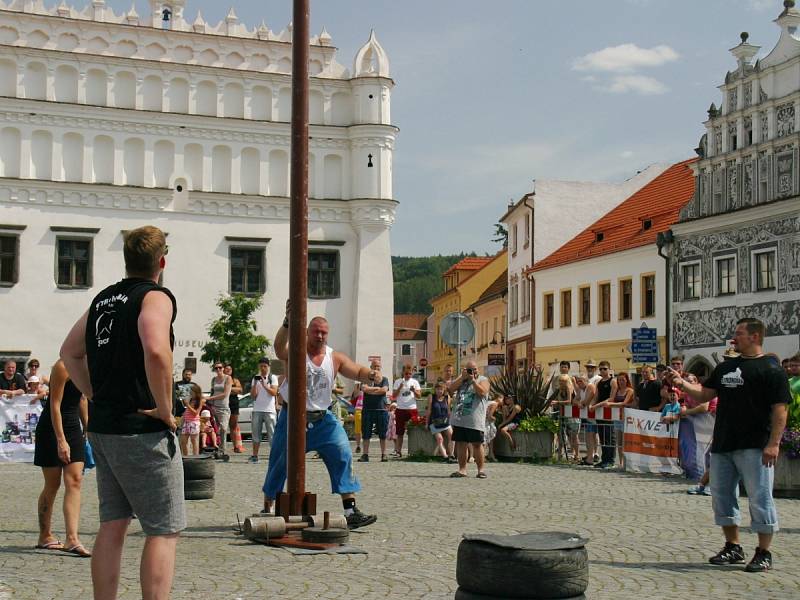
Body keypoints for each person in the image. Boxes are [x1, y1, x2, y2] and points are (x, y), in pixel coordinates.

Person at [60, 225, 184, 600]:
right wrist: (165, 410)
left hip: (104, 427)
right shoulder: (155, 297)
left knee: (112, 525)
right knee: (163, 529)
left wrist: (94, 393)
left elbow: (69, 351)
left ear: (127, 260)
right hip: (142, 429)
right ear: (161, 262)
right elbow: (157, 350)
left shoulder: (103, 299)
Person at [668, 318, 789, 573]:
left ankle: (764, 551)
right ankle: (733, 546)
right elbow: (704, 394)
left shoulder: (771, 368)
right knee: (722, 497)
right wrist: (682, 383)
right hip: (724, 443)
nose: (734, 338)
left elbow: (780, 409)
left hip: (755, 445)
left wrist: (773, 444)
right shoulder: (726, 367)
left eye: (739, 333)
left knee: (759, 497)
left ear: (755, 336)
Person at [261, 303, 378, 529]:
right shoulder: (295, 350)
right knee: (279, 463)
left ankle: (350, 509)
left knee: (343, 452)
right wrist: (287, 323)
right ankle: (268, 508)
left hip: (323, 419)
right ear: (307, 332)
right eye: (316, 331)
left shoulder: (334, 358)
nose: (320, 335)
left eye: (324, 332)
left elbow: (356, 370)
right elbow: (278, 348)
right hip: (292, 418)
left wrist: (371, 374)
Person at [33, 360, 90, 557]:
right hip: (51, 428)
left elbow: (82, 399)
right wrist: (61, 440)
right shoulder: (62, 367)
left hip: (74, 426)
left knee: (75, 480)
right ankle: (44, 535)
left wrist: (87, 428)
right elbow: (54, 404)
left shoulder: (88, 366)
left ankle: (72, 539)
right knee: (53, 483)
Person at [448, 361, 490, 479]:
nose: (473, 372)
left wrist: (473, 381)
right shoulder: (462, 380)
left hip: (474, 419)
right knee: (461, 444)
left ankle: (481, 470)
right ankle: (462, 470)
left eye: (475, 369)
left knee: (477, 444)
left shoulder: (483, 379)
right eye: (470, 369)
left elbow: (482, 392)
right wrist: (462, 378)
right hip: (460, 418)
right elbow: (450, 390)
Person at [595, 372, 635, 469]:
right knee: (619, 443)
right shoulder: (617, 391)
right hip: (617, 418)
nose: (621, 382)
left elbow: (624, 403)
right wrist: (601, 404)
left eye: (623, 380)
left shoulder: (630, 390)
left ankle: (627, 463)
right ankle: (621, 463)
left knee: (625, 442)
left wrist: (611, 405)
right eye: (619, 380)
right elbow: (611, 399)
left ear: (627, 380)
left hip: (626, 418)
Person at [359, 361, 390, 462]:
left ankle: (384, 454)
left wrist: (371, 390)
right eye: (374, 366)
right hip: (367, 409)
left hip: (381, 409)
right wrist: (377, 389)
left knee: (383, 433)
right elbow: (364, 389)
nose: (376, 368)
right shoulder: (365, 379)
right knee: (366, 433)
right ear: (371, 367)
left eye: (378, 366)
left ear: (380, 368)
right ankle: (365, 454)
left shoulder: (384, 379)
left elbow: (384, 390)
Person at [249, 357, 279, 463]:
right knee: (256, 434)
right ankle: (255, 455)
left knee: (272, 434)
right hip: (257, 409)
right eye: (261, 366)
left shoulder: (273, 377)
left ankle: (274, 456)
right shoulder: (255, 378)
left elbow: (274, 393)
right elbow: (253, 396)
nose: (263, 368)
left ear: (268, 367)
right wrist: (255, 385)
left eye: (265, 366)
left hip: (270, 410)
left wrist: (264, 385)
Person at [391, 363, 421, 458]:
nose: (408, 375)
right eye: (406, 373)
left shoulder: (415, 382)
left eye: (410, 373)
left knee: (414, 430)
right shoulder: (398, 381)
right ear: (403, 372)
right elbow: (394, 396)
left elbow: (419, 396)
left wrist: (414, 391)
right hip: (400, 409)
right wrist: (400, 387)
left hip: (412, 409)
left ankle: (415, 450)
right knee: (400, 432)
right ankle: (398, 451)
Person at [207, 362, 232, 460]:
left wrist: (210, 398)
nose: (218, 370)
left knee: (223, 428)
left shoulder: (228, 378)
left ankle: (223, 450)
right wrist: (211, 403)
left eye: (220, 368)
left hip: (224, 407)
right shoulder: (214, 379)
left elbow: (225, 394)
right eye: (216, 368)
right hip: (214, 407)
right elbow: (212, 391)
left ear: (223, 368)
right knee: (215, 429)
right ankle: (217, 449)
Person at [574, 375, 598, 465]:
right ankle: (589, 456)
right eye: (578, 382)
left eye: (581, 381)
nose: (579, 383)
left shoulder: (590, 386)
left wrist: (581, 403)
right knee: (588, 436)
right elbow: (574, 400)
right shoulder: (580, 389)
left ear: (586, 381)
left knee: (591, 436)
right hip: (588, 416)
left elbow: (588, 400)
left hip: (595, 416)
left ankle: (591, 457)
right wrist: (578, 403)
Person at [426, 381, 453, 460]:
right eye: (437, 389)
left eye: (441, 389)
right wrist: (427, 423)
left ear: (444, 389)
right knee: (440, 439)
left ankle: (451, 455)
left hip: (445, 421)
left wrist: (450, 421)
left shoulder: (447, 397)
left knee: (452, 436)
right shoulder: (431, 396)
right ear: (435, 389)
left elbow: (448, 411)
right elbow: (429, 410)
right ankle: (445, 456)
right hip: (434, 422)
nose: (439, 391)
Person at [179, 383, 205, 456]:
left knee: (194, 441)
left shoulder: (199, 401)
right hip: (187, 422)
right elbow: (187, 411)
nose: (190, 393)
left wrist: (187, 405)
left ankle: (195, 456)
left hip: (194, 423)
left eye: (192, 392)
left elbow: (196, 413)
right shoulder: (190, 400)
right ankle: (185, 455)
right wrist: (182, 417)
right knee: (183, 441)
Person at [224, 364, 244, 453]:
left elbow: (240, 390)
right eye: (226, 369)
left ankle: (236, 446)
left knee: (233, 426)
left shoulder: (235, 380)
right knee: (222, 427)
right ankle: (221, 447)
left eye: (230, 369)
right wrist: (231, 390)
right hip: (223, 404)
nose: (228, 370)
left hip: (234, 404)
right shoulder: (221, 379)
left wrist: (228, 389)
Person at [787, 352, 800, 428]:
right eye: (791, 365)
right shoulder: (789, 381)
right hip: (791, 419)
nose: (793, 367)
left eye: (796, 365)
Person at [351, 382, 364, 454]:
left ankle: (364, 446)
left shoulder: (370, 390)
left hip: (367, 410)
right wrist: (357, 385)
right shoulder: (359, 391)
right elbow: (354, 395)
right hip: (358, 410)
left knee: (365, 429)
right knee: (358, 430)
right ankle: (358, 445)